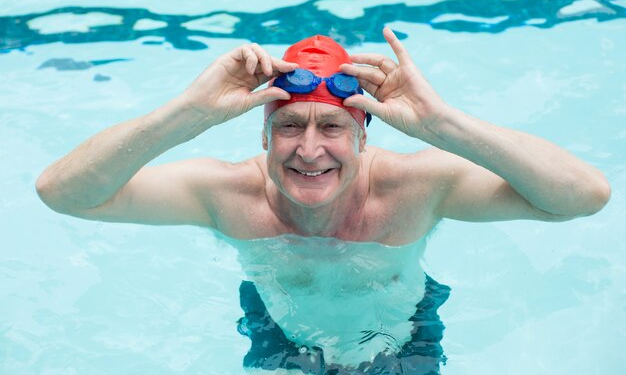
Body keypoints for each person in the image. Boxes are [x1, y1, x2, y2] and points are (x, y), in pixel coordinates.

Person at [36, 27, 611, 373]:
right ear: (262, 135)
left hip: (400, 337)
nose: (309, 150)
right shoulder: (225, 194)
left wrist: (444, 126)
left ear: (364, 134)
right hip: (278, 333)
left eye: (331, 128)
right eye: (289, 127)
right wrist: (186, 114)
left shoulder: (418, 185)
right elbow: (65, 195)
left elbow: (582, 197)